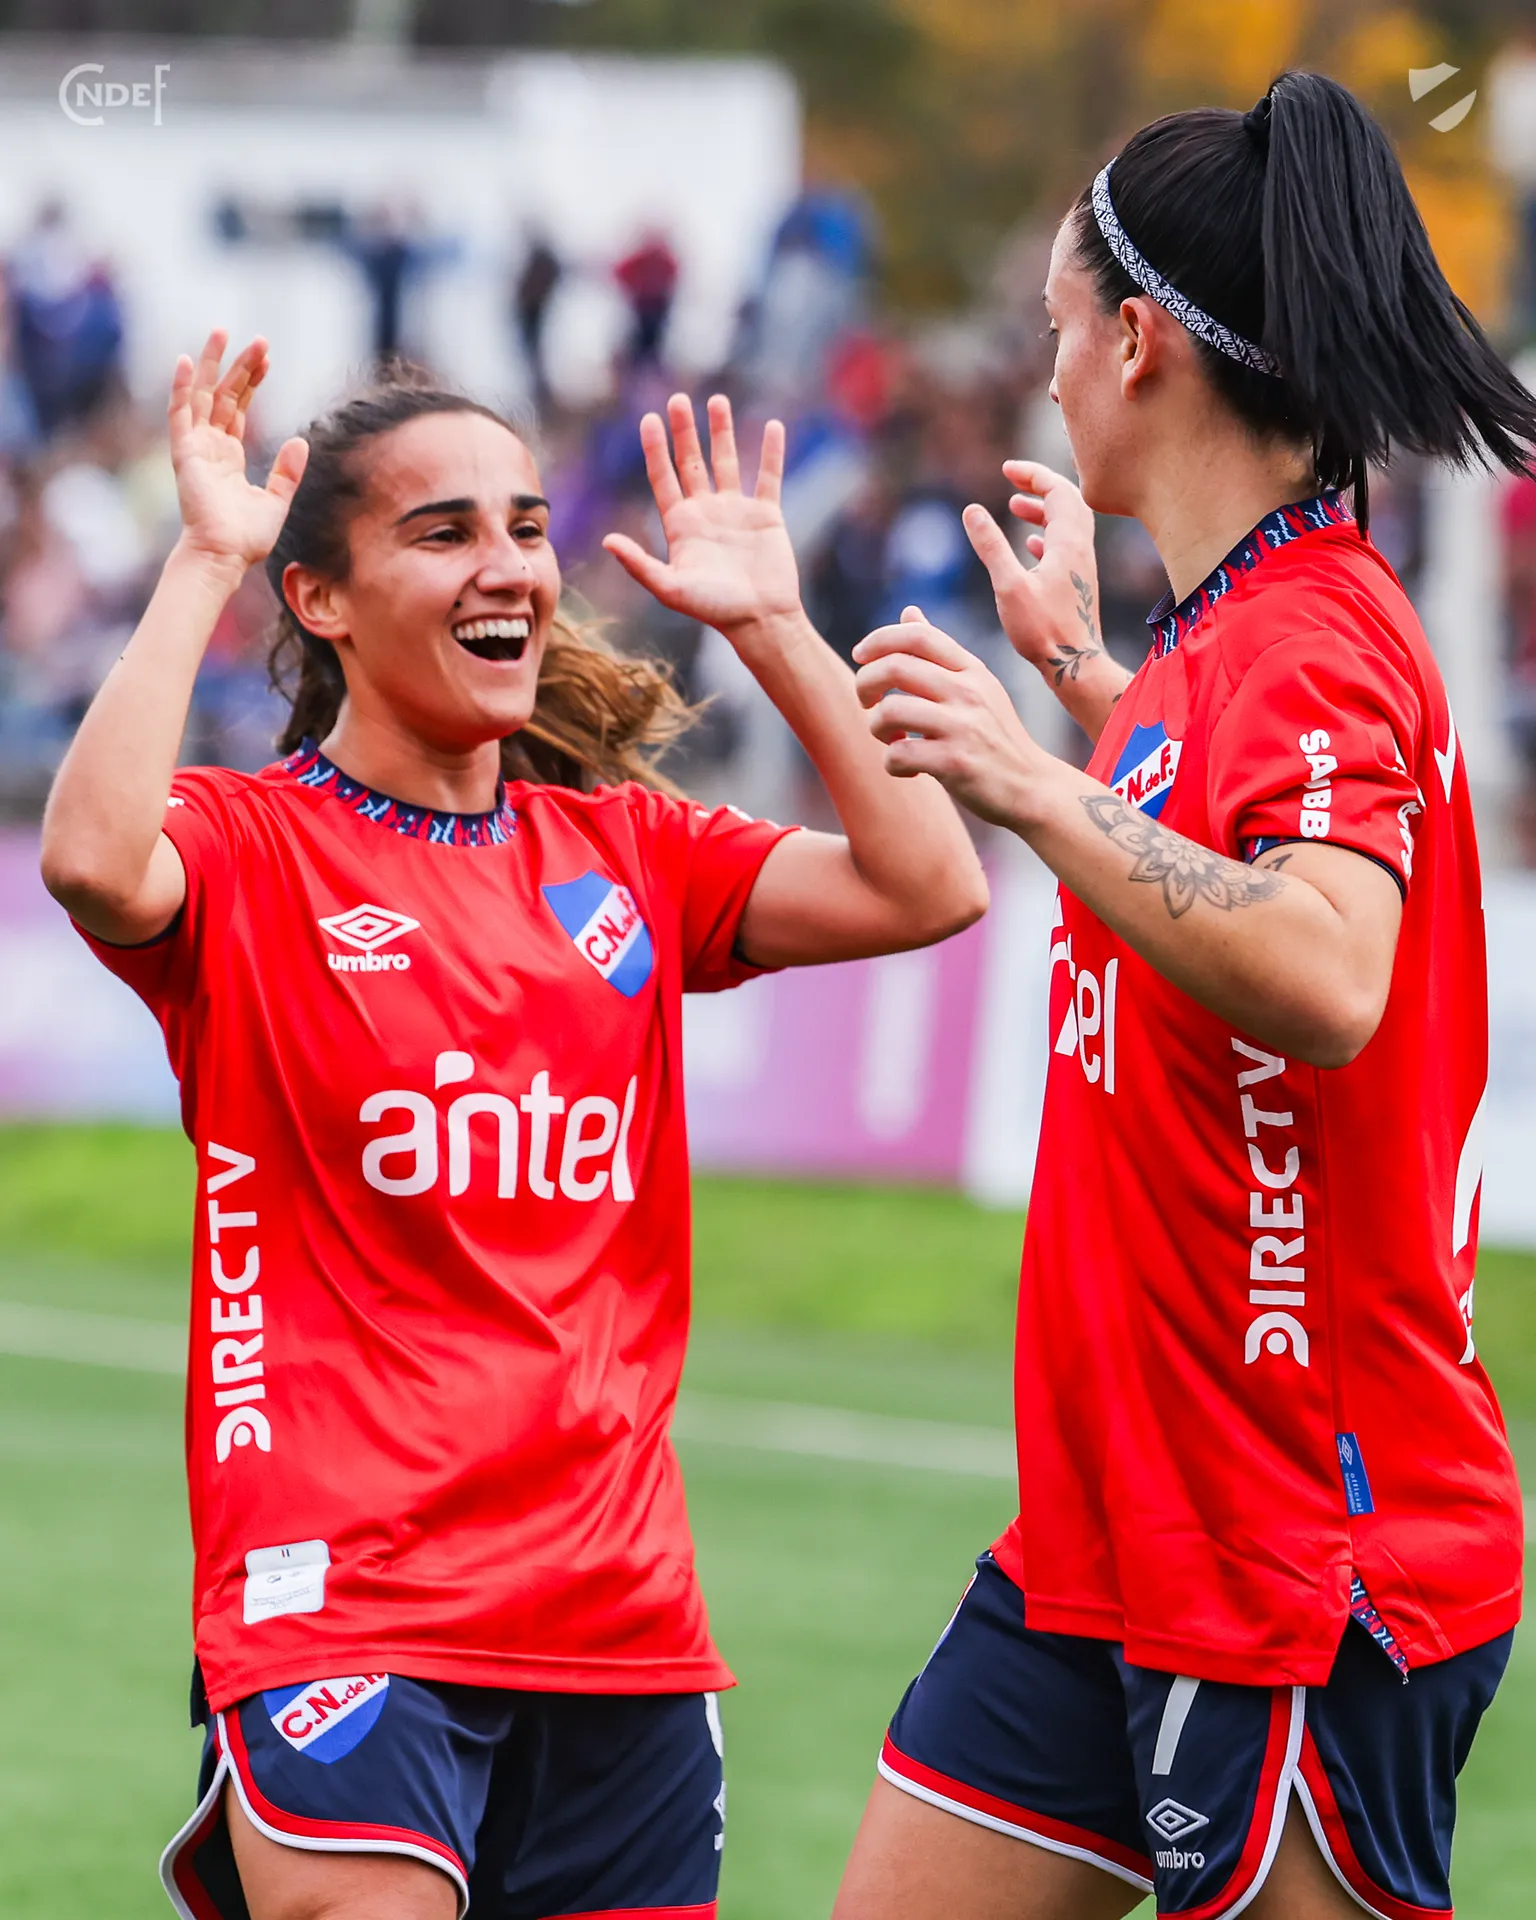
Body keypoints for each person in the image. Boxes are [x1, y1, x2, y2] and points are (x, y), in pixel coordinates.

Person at [39, 333, 986, 1920]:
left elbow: (930, 883)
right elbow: (89, 859)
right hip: (342, 1604)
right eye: (445, 531)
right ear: (320, 599)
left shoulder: (627, 854)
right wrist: (207, 557)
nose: (509, 567)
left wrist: (771, 623)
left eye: (528, 527)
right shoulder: (250, 847)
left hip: (618, 1622)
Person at [834, 71, 1536, 1920]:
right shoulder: (1229, 636)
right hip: (1113, 1529)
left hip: (1291, 1544)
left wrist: (1029, 779)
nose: (1047, 364)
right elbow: (1210, 828)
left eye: (1057, 322)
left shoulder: (1314, 638)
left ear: (1140, 343)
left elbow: (1323, 968)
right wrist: (1087, 680)